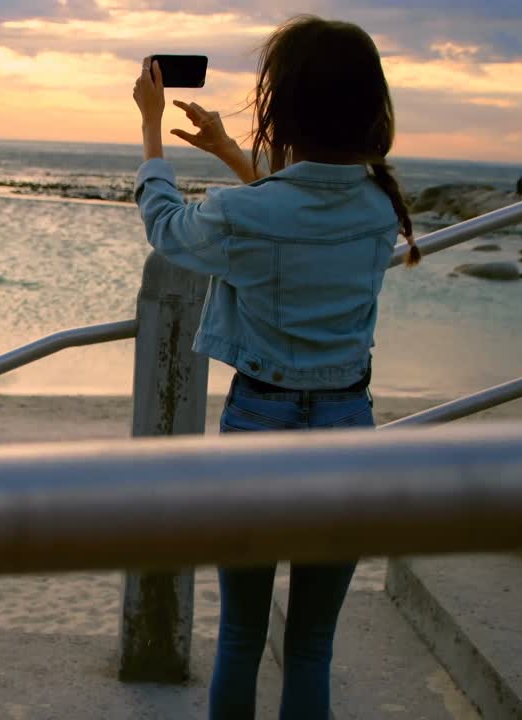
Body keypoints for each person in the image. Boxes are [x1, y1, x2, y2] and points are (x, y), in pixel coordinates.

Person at [133, 15, 418, 719]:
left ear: (281, 107)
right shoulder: (380, 207)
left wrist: (150, 128)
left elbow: (169, 228)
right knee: (313, 644)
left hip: (259, 424)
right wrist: (231, 151)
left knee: (240, 636)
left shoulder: (244, 213)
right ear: (369, 108)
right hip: (348, 426)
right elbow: (307, 209)